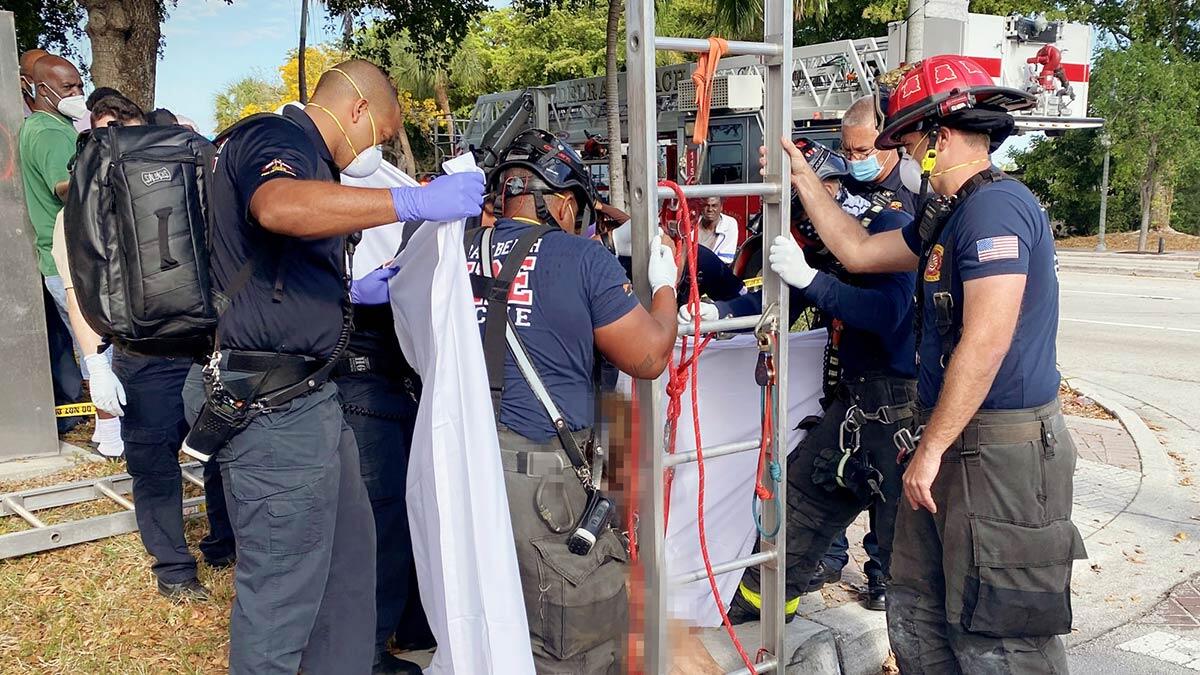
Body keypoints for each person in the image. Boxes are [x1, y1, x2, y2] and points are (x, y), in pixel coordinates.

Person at [764, 55, 1086, 673]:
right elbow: (858, 251)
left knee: (999, 630)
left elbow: (987, 339)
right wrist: (803, 179)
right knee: (918, 601)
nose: (906, 160)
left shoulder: (995, 208)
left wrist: (931, 447)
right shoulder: (946, 216)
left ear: (939, 137)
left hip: (999, 449)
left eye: (909, 144)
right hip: (950, 433)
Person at [184, 59, 484, 675]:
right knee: (282, 599)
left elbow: (279, 276)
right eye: (377, 137)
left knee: (349, 569)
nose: (373, 152)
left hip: (313, 397)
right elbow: (278, 206)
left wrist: (352, 293)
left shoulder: (313, 157)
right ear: (355, 111)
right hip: (270, 407)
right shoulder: (277, 137)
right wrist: (412, 200)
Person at [467, 129, 679, 673]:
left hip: (469, 470)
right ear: (563, 202)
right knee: (574, 640)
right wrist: (665, 288)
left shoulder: (457, 250)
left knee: (490, 624)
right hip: (546, 484)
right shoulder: (580, 258)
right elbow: (648, 357)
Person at [53, 93, 236, 598]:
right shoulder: (192, 162)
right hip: (207, 342)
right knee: (217, 450)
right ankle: (223, 545)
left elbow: (80, 290)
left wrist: (96, 363)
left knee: (155, 464)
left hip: (145, 350)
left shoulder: (85, 194)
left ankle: (177, 570)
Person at [725, 139, 916, 620]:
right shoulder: (831, 245)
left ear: (828, 188)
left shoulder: (887, 224)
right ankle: (765, 604)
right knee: (800, 507)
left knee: (906, 545)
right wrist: (716, 316)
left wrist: (813, 279)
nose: (803, 231)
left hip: (900, 407)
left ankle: (915, 628)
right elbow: (785, 302)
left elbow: (888, 314)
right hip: (853, 403)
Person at [811, 93, 924, 609]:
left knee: (888, 483)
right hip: (846, 361)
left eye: (863, 149)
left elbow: (888, 309)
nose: (854, 158)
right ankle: (825, 558)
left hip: (896, 368)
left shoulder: (906, 205)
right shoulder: (850, 194)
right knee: (827, 471)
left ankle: (882, 573)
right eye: (847, 148)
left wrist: (813, 283)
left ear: (889, 142)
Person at [333, 204, 425, 674]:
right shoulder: (335, 193)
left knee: (407, 514)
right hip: (361, 379)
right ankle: (365, 652)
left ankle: (411, 625)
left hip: (392, 380)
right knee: (380, 521)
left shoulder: (396, 195)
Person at [696, 196, 739, 263]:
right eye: (706, 205)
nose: (710, 209)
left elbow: (726, 259)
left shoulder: (729, 223)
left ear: (721, 207)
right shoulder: (692, 224)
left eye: (714, 206)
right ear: (701, 207)